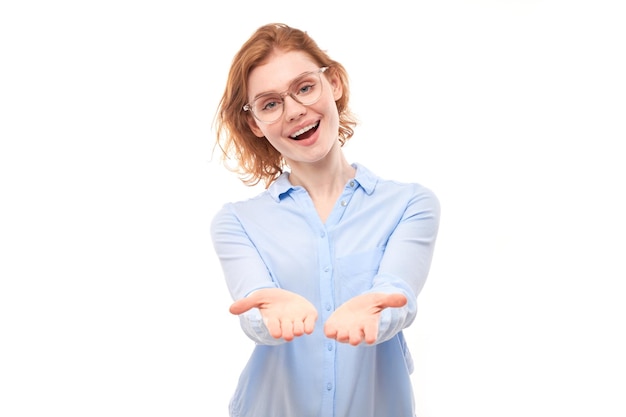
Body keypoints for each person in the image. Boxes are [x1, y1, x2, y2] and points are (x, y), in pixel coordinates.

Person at [210, 22, 440, 417]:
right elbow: (255, 309)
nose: (295, 111)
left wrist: (375, 308)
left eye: (304, 87)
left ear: (332, 83)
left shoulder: (410, 204)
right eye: (270, 104)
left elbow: (397, 295)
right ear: (256, 124)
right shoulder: (237, 222)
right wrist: (268, 312)